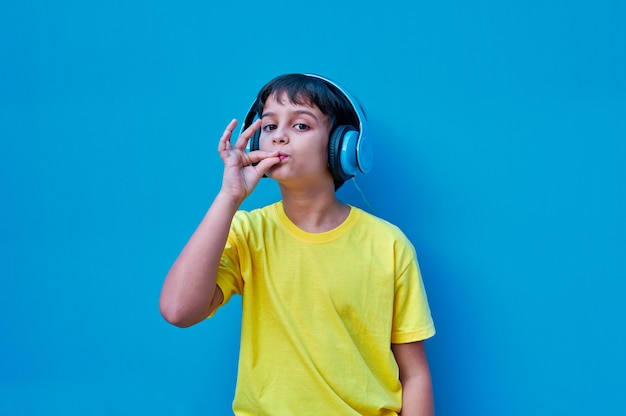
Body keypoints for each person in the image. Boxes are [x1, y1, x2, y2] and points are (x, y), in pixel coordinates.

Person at [160, 73, 436, 415]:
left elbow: (415, 375)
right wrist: (229, 197)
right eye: (270, 126)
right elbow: (177, 310)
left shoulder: (389, 245)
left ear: (342, 146)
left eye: (301, 126)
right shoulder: (248, 232)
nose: (279, 138)